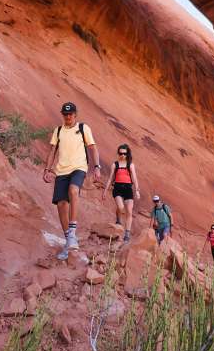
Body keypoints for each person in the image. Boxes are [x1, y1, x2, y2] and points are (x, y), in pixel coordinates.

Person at [43, 102, 101, 260]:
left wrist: (97, 166)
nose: (68, 117)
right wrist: (47, 170)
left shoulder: (83, 128)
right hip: (61, 170)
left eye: (70, 114)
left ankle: (73, 231)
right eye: (65, 114)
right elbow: (52, 150)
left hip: (79, 167)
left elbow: (93, 148)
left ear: (75, 115)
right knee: (61, 204)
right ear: (63, 115)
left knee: (74, 190)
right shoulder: (59, 130)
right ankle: (69, 240)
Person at [102, 144, 141, 242]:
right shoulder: (115, 164)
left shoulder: (130, 165)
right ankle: (118, 219)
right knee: (120, 207)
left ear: (127, 154)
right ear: (118, 153)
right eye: (120, 153)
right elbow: (110, 178)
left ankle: (127, 235)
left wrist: (137, 191)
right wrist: (105, 191)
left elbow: (135, 179)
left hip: (128, 188)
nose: (122, 155)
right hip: (117, 188)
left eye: (124, 153)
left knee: (129, 211)